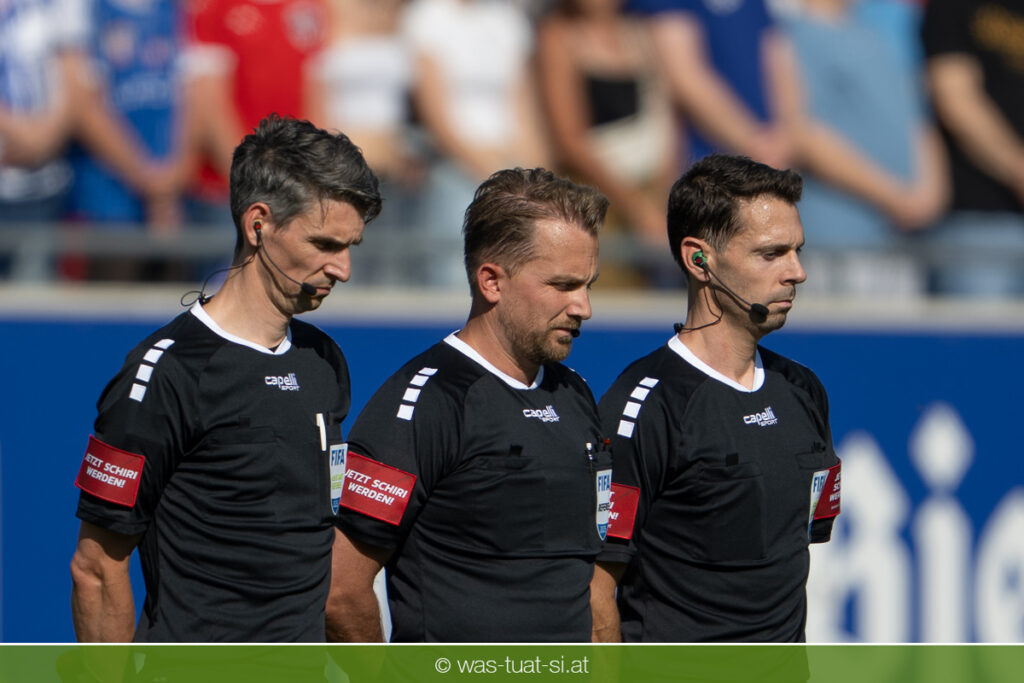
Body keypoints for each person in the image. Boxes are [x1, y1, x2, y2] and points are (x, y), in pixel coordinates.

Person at [69, 114, 382, 642]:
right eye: (325, 244)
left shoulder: (323, 360)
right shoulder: (163, 373)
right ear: (258, 224)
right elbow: (96, 570)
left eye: (351, 247)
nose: (343, 269)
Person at [329, 167, 609, 642]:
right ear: (491, 281)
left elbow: (593, 588)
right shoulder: (425, 401)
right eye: (562, 285)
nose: (584, 307)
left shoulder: (575, 394)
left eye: (588, 285)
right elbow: (340, 589)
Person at [592, 154, 841, 642]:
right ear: (698, 260)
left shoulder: (803, 390)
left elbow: (799, 547)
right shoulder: (643, 406)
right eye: (771, 254)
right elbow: (595, 588)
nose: (797, 272)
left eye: (797, 251)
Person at [783, 0, 947, 297]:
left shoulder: (881, 32)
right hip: (837, 243)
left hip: (900, 245)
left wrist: (930, 194)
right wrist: (895, 198)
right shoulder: (793, 35)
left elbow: (916, 118)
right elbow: (804, 134)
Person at [537, 0, 679, 288]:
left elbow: (667, 118)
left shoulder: (639, 33)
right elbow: (569, 141)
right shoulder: (557, 37)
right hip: (594, 198)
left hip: (651, 192)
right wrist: (637, 208)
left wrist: (666, 198)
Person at [922, 0, 1024, 297]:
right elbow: (954, 99)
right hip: (981, 222)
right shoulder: (957, 6)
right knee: (980, 326)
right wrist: (1017, 167)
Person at [628, 0, 801, 169]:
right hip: (709, 162)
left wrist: (787, 131)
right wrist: (756, 145)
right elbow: (684, 76)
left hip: (774, 154)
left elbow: (775, 51)